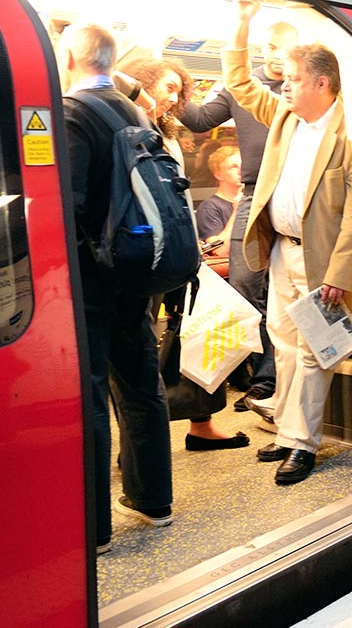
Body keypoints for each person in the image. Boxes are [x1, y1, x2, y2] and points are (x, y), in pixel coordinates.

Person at [225, 0, 352, 485]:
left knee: (313, 350)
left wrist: (339, 273)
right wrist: (242, 23)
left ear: (321, 84)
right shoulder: (286, 115)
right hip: (283, 250)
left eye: (293, 78)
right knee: (283, 343)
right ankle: (288, 432)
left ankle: (302, 445)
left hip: (322, 259)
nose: (283, 85)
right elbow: (240, 84)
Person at [61, 25, 173, 552]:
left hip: (91, 273)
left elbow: (73, 202)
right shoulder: (137, 110)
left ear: (68, 57)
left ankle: (94, 528)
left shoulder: (72, 112)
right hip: (137, 268)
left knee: (92, 393)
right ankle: (154, 501)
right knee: (140, 380)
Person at [122, 58, 250, 452]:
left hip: (178, 248)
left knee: (199, 331)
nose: (174, 98)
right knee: (138, 347)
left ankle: (202, 424)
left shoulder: (170, 132)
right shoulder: (123, 126)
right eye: (168, 88)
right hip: (144, 251)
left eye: (180, 91)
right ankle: (138, 444)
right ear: (143, 87)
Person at [176, 20, 301, 410]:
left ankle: (271, 377)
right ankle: (253, 372)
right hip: (253, 195)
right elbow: (198, 120)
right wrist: (173, 87)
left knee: (293, 286)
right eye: (272, 47)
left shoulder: (303, 87)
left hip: (296, 192)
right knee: (246, 285)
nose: (278, 55)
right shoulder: (241, 86)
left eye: (286, 47)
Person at [196, 146, 242, 248]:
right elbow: (219, 250)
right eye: (233, 167)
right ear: (219, 175)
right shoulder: (209, 207)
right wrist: (237, 212)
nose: (241, 171)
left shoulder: (253, 202)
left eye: (243, 165)